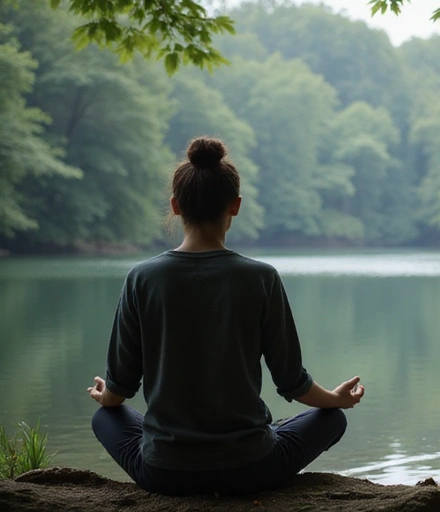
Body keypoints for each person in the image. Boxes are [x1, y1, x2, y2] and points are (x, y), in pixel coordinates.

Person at [87, 136, 364, 496]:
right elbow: (293, 383)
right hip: (251, 468)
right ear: (235, 205)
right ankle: (255, 439)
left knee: (105, 418)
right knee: (331, 420)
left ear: (175, 205)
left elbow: (120, 390)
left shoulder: (142, 278)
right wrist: (336, 399)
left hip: (164, 473)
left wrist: (104, 395)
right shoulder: (261, 277)